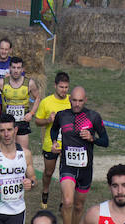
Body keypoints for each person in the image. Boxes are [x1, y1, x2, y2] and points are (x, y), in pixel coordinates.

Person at [50, 86, 109, 224]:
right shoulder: (62, 115)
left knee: (78, 205)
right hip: (67, 166)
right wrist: (55, 142)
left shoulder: (93, 117)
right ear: (70, 99)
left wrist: (92, 139)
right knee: (68, 201)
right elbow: (54, 130)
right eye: (74, 100)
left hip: (85, 169)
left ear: (85, 100)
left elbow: (105, 141)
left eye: (80, 101)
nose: (76, 104)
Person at [34, 71, 70, 208]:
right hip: (51, 143)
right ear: (55, 86)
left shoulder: (72, 101)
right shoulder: (46, 102)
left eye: (66, 87)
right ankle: (45, 191)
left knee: (65, 174)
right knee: (49, 172)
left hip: (68, 144)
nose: (64, 90)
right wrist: (48, 120)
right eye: (61, 87)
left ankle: (63, 201)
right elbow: (37, 121)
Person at [0, 56, 40, 151]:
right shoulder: (1, 83)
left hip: (22, 121)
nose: (16, 70)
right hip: (7, 122)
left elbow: (37, 98)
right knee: (6, 150)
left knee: (22, 151)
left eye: (19, 68)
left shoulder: (29, 83)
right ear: (9, 68)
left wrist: (31, 113)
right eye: (14, 67)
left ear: (22, 69)